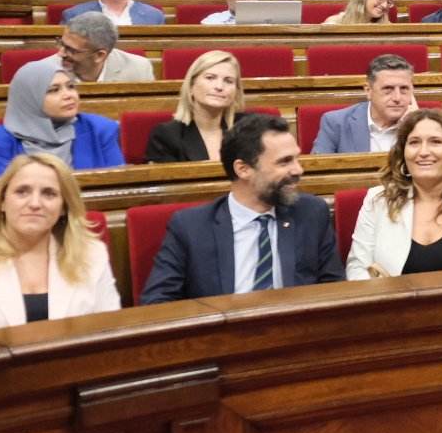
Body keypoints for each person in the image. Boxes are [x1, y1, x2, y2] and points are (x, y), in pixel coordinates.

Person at [139, 114, 342, 303]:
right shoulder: (191, 227)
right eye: (284, 162)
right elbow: (157, 302)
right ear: (243, 169)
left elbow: (334, 290)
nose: (298, 170)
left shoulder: (311, 213)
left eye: (296, 158)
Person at [346, 108, 442, 279]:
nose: (423, 152)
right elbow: (357, 268)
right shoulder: (378, 200)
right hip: (391, 304)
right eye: (414, 142)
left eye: (435, 142)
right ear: (403, 152)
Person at [0, 153, 120, 326]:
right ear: (2, 203)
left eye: (49, 194)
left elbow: (111, 329)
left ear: (63, 208)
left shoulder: (92, 255)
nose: (35, 203)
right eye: (22, 192)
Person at [0, 60, 122, 175]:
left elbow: (117, 186)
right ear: (29, 99)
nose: (68, 95)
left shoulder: (100, 129)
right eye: (54, 90)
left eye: (70, 87)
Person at [144, 50, 244, 164]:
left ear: (236, 91)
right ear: (191, 86)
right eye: (210, 78)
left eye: (228, 81)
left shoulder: (249, 131)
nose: (219, 86)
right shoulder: (166, 135)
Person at [304, 51, 415, 151]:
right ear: (368, 91)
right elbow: (318, 169)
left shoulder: (422, 125)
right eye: (388, 89)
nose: (397, 98)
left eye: (404, 89)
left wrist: (415, 127)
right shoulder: (336, 123)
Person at [57, 13, 154, 83]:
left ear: (99, 56)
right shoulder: (46, 71)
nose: (61, 53)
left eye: (71, 50)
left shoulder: (139, 69)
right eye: (61, 43)